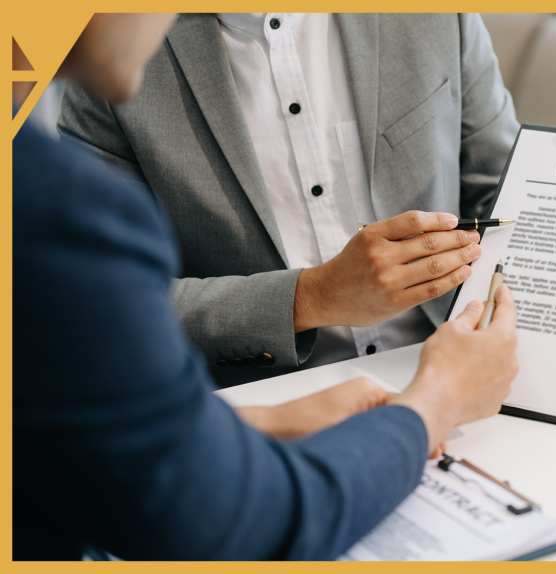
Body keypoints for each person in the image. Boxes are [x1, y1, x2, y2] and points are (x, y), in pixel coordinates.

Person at [14, 14, 520, 560]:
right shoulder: (56, 202)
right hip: (290, 421)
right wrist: (318, 301)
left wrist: (254, 425)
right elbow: (240, 520)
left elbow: (511, 192)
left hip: (456, 395)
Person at [59, 13, 556, 387]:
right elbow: (105, 306)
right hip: (261, 412)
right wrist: (313, 296)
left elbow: (502, 195)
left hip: (460, 378)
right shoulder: (112, 49)